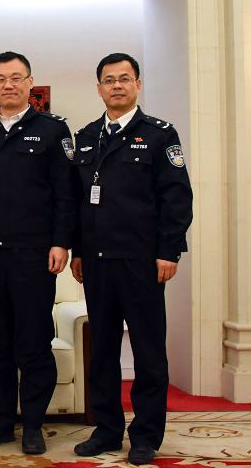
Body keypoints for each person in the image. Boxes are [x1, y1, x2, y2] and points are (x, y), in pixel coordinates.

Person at [70, 53, 193, 466]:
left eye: (125, 78)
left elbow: (177, 198)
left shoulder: (159, 134)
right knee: (102, 351)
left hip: (142, 262)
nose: (117, 86)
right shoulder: (87, 137)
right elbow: (76, 202)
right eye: (109, 80)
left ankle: (145, 436)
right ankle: (106, 430)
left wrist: (168, 250)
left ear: (137, 84)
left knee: (148, 352)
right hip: (97, 263)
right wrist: (78, 250)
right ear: (99, 88)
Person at [0, 51, 75, 454]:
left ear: (30, 83)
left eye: (16, 77)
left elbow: (66, 192)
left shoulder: (53, 130)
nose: (8, 85)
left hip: (35, 256)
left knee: (32, 345)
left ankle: (32, 426)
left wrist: (61, 242)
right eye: (0, 79)